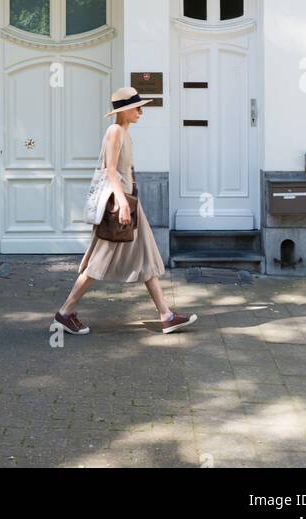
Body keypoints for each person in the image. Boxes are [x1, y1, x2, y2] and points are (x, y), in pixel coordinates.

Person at [52, 87, 198, 336]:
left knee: (146, 257)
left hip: (130, 204)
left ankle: (166, 315)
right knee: (99, 260)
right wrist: (121, 203)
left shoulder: (125, 133)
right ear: (125, 110)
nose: (141, 111)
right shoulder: (115, 131)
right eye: (137, 107)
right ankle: (65, 313)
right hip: (119, 206)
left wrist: (129, 203)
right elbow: (110, 171)